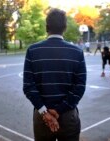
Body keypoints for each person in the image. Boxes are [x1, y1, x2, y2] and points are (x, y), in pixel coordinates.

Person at [23, 8, 86, 141]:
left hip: (42, 117)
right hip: (68, 115)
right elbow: (79, 87)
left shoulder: (33, 51)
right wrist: (60, 110)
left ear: (47, 27)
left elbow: (28, 86)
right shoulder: (77, 52)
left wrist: (45, 112)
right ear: (65, 27)